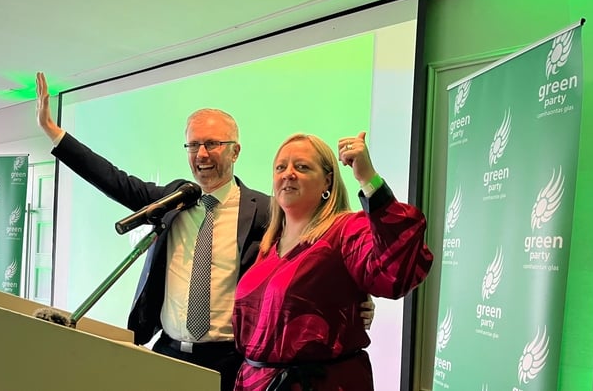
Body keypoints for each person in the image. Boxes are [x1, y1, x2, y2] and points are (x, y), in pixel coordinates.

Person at [34, 72, 375, 391]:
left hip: (231, 360)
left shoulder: (269, 210)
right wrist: (53, 131)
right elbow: (113, 179)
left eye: (212, 144)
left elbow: (317, 254)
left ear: (235, 151)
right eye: (193, 145)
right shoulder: (174, 200)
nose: (202, 154)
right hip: (168, 352)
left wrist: (357, 298)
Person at [233, 132, 433, 391]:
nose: (288, 173)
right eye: (280, 167)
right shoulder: (269, 245)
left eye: (302, 167)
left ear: (328, 181)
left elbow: (394, 269)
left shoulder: (345, 230)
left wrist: (368, 178)